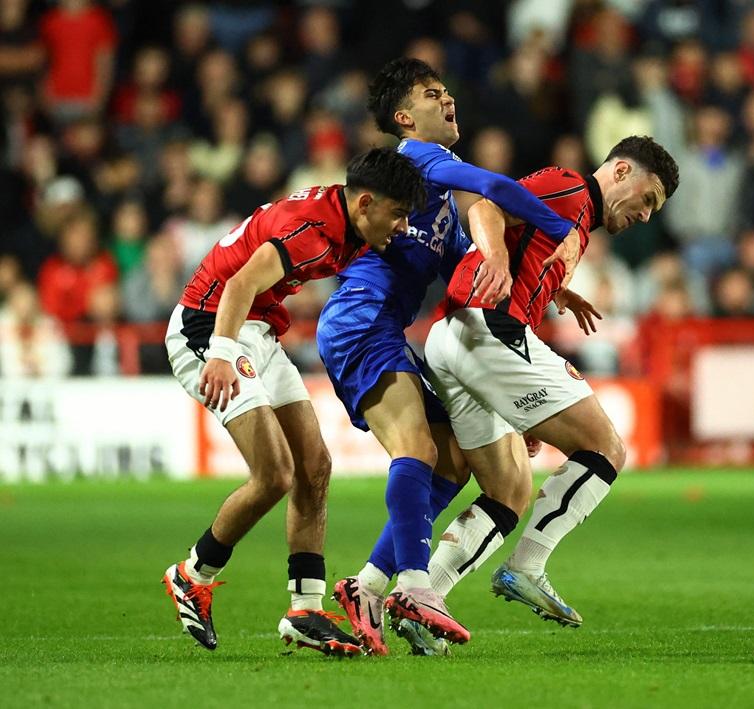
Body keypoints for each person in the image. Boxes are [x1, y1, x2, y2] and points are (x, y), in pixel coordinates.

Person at [318, 57, 581, 656]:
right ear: (405, 118)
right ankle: (415, 585)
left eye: (447, 90)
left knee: (454, 461)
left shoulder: (431, 194)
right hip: (360, 318)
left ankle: (368, 586)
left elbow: (467, 264)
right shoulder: (420, 159)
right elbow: (495, 188)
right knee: (418, 449)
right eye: (432, 94)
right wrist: (558, 229)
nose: (448, 99)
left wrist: (543, 285)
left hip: (384, 327)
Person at [160, 147, 425, 657]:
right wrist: (221, 353)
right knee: (275, 473)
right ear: (365, 203)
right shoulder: (312, 230)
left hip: (257, 329)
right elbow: (240, 282)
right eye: (398, 213)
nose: (402, 225)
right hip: (211, 326)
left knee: (314, 467)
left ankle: (305, 609)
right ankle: (193, 575)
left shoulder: (351, 222)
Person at [422, 135, 678, 628]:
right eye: (647, 199)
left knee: (508, 490)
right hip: (486, 328)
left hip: (454, 336)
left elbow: (524, 249)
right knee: (605, 447)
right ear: (621, 172)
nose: (646, 215)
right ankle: (527, 566)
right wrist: (496, 257)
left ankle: (422, 597)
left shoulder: (577, 224)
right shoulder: (569, 188)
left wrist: (556, 289)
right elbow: (487, 205)